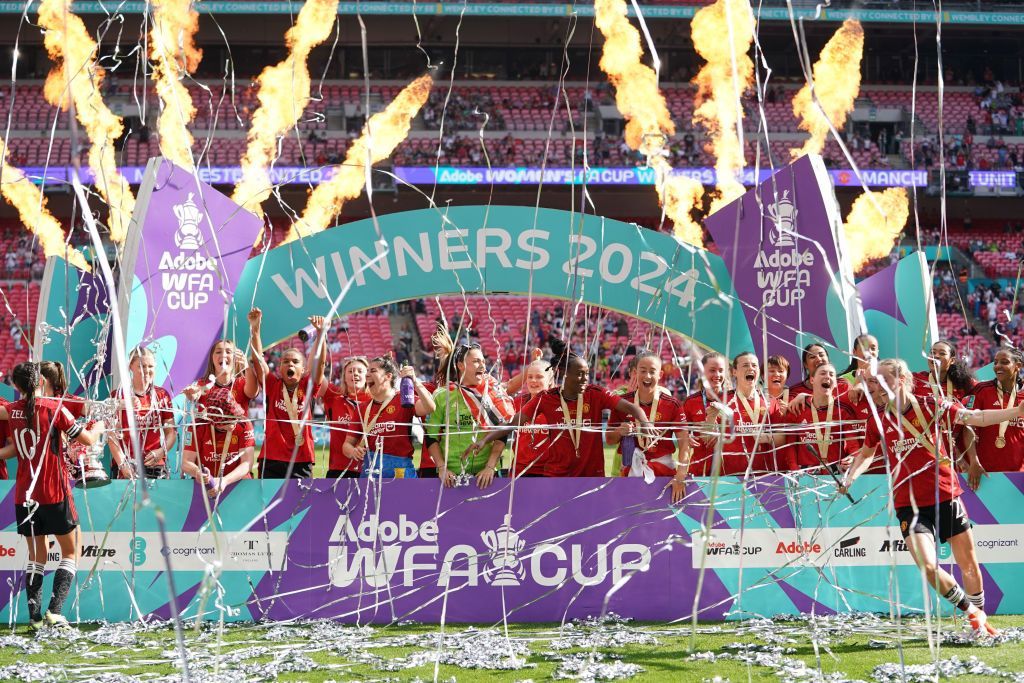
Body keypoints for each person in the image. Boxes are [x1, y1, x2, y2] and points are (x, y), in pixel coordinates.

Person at [839, 358, 1024, 636]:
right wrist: (851, 475)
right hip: (908, 503)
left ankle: (979, 623)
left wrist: (1016, 411)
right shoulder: (878, 419)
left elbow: (975, 417)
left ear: (901, 380)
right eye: (875, 381)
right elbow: (866, 453)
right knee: (928, 567)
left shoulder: (931, 406)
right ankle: (971, 612)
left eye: (883, 380)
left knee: (969, 565)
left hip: (945, 495)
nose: (876, 386)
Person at [0, 362, 105, 629]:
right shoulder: (54, 409)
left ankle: (34, 618)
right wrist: (100, 426)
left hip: (24, 495)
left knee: (37, 556)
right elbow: (89, 441)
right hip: (53, 491)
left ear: (17, 387)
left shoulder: (11, 411)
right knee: (71, 550)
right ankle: (55, 611)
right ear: (41, 382)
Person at [465, 348, 652, 477]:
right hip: (557, 475)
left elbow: (630, 407)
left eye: (586, 373)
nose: (584, 379)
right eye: (579, 374)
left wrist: (644, 420)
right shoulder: (547, 397)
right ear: (566, 375)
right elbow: (514, 422)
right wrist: (484, 440)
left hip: (591, 474)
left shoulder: (596, 393)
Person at [248, 308, 328, 478]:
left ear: (303, 368)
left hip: (301, 459)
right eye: (285, 361)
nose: (290, 364)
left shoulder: (309, 386)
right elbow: (257, 360)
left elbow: (319, 365)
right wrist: (255, 330)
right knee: (267, 505)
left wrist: (321, 334)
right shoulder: (272, 385)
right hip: (271, 459)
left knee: (300, 505)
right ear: (279, 368)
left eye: (295, 361)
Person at [427, 343, 515, 489]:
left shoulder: (492, 391)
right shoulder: (442, 395)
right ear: (461, 365)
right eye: (476, 361)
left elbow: (503, 430)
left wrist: (490, 467)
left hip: (487, 475)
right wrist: (442, 468)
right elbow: (431, 437)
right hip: (451, 476)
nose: (482, 366)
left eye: (483, 361)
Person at [606, 352, 687, 500]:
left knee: (662, 521)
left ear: (660, 374)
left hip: (665, 472)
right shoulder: (622, 402)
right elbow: (610, 439)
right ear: (635, 373)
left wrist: (680, 476)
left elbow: (684, 442)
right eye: (643, 371)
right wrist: (619, 431)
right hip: (632, 472)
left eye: (652, 371)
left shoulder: (672, 404)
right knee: (632, 518)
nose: (647, 376)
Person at [344, 356, 436, 478]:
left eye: (373, 371)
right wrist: (353, 451)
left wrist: (415, 381)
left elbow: (430, 408)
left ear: (388, 376)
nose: (367, 375)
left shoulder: (403, 398)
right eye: (367, 371)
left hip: (400, 472)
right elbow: (346, 445)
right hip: (371, 472)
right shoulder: (362, 408)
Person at [108, 347, 176, 479]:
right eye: (141, 366)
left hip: (155, 465)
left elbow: (171, 432)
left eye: (150, 366)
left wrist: (161, 451)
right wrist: (122, 464)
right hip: (125, 465)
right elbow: (112, 435)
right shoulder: (118, 396)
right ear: (130, 367)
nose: (147, 371)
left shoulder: (162, 395)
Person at [712, 352, 785, 475]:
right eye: (745, 365)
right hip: (731, 479)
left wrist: (767, 437)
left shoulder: (770, 402)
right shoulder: (722, 401)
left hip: (765, 477)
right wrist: (710, 418)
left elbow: (783, 438)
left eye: (754, 365)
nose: (751, 368)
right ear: (734, 372)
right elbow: (709, 439)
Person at [961, 347, 1024, 487]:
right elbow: (967, 426)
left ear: (1018, 366)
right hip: (985, 473)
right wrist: (973, 461)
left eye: (1004, 362)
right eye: (995, 362)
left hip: (1019, 475)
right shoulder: (982, 390)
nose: (997, 366)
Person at [181, 386, 255, 497]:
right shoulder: (198, 426)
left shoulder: (244, 423)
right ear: (214, 421)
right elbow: (186, 462)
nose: (234, 422)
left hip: (238, 485)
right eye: (228, 419)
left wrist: (224, 481)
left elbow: (247, 463)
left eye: (235, 415)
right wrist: (197, 472)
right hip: (207, 487)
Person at [785, 363, 860, 472]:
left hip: (836, 475)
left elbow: (852, 443)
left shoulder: (843, 411)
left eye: (831, 374)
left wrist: (853, 458)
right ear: (812, 380)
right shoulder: (798, 408)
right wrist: (794, 468)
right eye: (823, 373)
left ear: (835, 384)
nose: (827, 376)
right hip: (806, 476)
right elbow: (790, 445)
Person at [679, 352, 729, 476]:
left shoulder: (733, 399)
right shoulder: (691, 402)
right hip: (700, 469)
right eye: (712, 370)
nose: (717, 375)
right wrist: (686, 438)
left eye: (721, 370)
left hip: (729, 470)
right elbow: (679, 433)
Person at [321, 356, 370, 479]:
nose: (355, 374)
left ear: (368, 376)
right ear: (344, 377)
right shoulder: (333, 396)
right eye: (350, 371)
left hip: (369, 468)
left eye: (360, 371)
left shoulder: (377, 401)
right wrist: (320, 340)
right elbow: (315, 374)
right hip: (338, 469)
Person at [182, 339, 259, 413]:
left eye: (228, 352)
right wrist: (192, 395)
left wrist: (247, 367)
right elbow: (196, 394)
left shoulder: (242, 383)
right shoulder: (203, 383)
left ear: (236, 358)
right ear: (212, 358)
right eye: (218, 352)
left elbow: (253, 393)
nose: (224, 355)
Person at [509, 354, 554, 477]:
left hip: (549, 472)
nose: (533, 380)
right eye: (530, 377)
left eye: (539, 377)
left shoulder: (559, 404)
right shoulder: (517, 403)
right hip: (520, 471)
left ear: (550, 380)